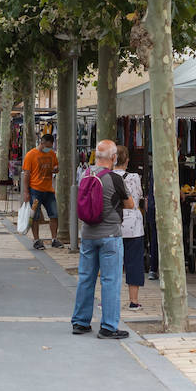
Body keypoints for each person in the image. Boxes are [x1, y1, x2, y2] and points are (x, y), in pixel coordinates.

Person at [71, 139, 133, 339]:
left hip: (88, 234)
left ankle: (80, 322)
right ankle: (108, 327)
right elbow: (130, 204)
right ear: (114, 158)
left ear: (96, 157)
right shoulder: (115, 179)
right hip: (110, 236)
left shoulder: (85, 175)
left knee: (86, 278)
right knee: (110, 281)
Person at [113, 146, 145, 311]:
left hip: (112, 224)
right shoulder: (134, 177)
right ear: (127, 160)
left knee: (111, 263)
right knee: (134, 262)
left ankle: (109, 299)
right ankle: (133, 301)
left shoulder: (106, 177)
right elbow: (138, 196)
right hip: (133, 225)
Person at [21, 134, 63, 250]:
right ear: (42, 143)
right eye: (47, 146)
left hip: (49, 190)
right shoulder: (31, 155)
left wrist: (56, 169)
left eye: (51, 146)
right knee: (35, 217)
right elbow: (26, 174)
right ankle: (36, 240)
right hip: (35, 190)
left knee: (54, 215)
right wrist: (26, 191)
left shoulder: (52, 154)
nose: (49, 148)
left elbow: (56, 166)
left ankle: (54, 239)